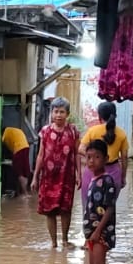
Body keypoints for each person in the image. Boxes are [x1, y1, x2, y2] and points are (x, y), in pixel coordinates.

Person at [32, 97, 80, 249]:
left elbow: (77, 153)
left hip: (67, 176)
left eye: (62, 112)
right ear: (51, 113)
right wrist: (35, 177)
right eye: (56, 111)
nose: (59, 115)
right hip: (49, 178)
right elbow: (40, 155)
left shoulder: (73, 131)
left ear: (67, 114)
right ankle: (53, 243)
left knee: (66, 209)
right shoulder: (45, 132)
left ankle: (65, 240)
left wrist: (79, 174)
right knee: (49, 211)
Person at [82, 138, 119, 264]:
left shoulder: (107, 181)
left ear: (106, 158)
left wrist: (98, 231)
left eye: (97, 157)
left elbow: (110, 208)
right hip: (91, 232)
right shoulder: (92, 180)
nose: (92, 161)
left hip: (101, 232)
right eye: (89, 157)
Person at [79, 101, 130, 206]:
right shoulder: (121, 133)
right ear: (115, 115)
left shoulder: (92, 131)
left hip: (92, 170)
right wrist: (123, 177)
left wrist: (93, 158)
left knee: (88, 206)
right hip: (114, 173)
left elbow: (80, 149)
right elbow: (124, 158)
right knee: (109, 207)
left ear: (99, 116)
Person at [1, 126, 32, 196]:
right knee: (24, 171)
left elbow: (2, 144)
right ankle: (24, 192)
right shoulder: (15, 130)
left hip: (18, 149)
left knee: (18, 171)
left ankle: (25, 193)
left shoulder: (5, 133)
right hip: (26, 147)